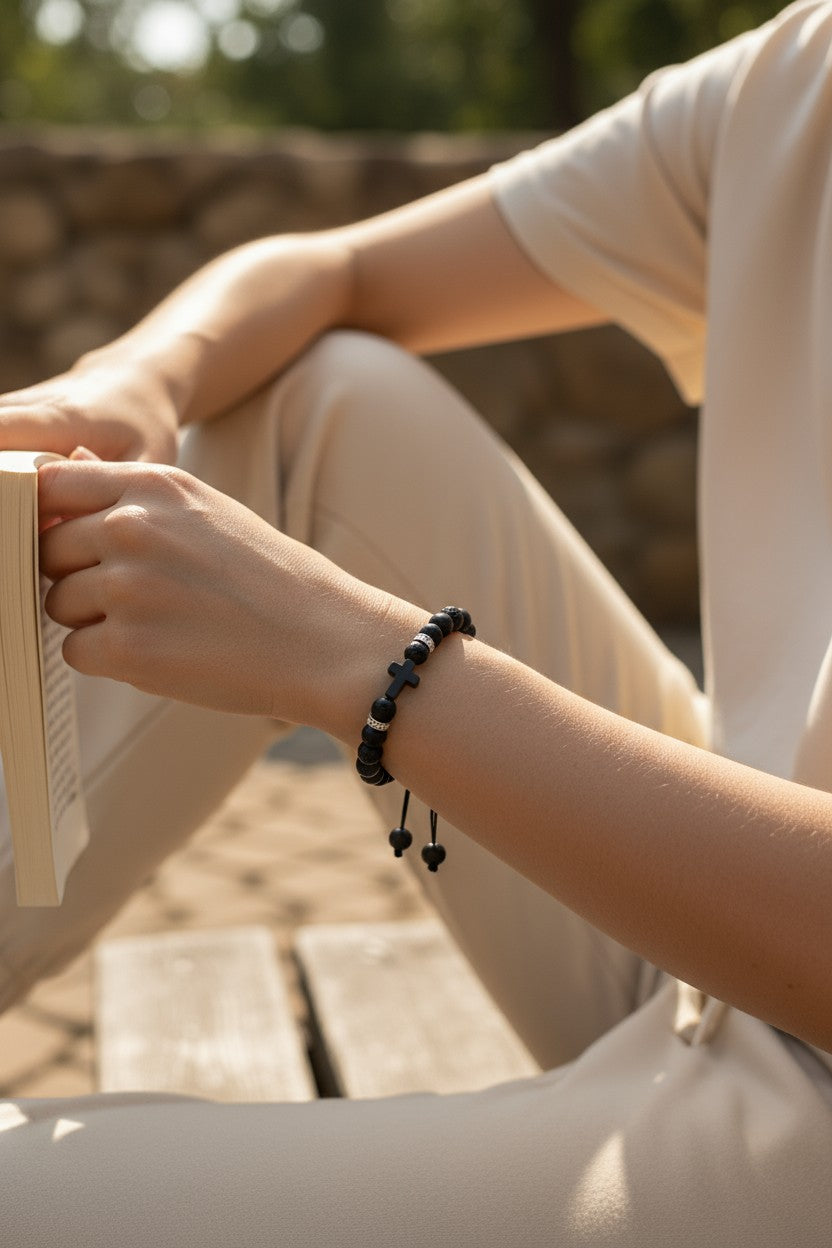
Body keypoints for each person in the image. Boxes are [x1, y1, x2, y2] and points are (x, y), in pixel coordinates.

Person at [1, 0, 832, 1242]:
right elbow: (334, 271)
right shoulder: (796, 82)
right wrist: (134, 380)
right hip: (705, 923)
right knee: (322, 398)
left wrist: (354, 658)